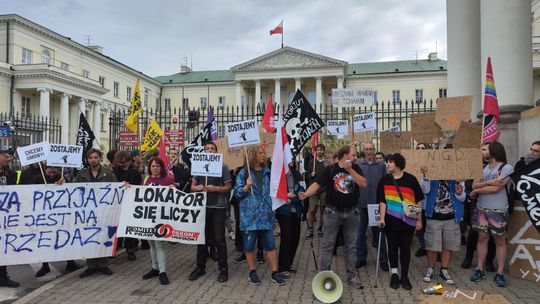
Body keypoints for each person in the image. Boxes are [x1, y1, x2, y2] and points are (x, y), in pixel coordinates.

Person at [299, 144, 368, 289]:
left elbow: (363, 184)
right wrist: (305, 194)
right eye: (353, 154)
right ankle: (324, 275)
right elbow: (317, 184)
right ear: (345, 155)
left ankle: (352, 276)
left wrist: (350, 171)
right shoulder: (330, 169)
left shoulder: (355, 168)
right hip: (332, 213)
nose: (356, 157)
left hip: (352, 213)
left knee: (351, 246)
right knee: (328, 245)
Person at [234, 146, 285, 286]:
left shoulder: (268, 172)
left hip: (266, 216)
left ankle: (275, 272)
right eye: (260, 153)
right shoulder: (243, 173)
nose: (263, 155)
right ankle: (252, 272)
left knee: (270, 244)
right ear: (251, 155)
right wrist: (245, 186)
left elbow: (275, 190)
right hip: (250, 217)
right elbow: (237, 194)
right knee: (250, 245)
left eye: (263, 152)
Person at [469, 141, 513, 287]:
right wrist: (489, 183)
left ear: (494, 151)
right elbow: (474, 184)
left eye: (485, 149)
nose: (482, 152)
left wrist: (477, 190)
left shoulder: (507, 168)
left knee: (499, 240)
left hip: (498, 209)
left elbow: (496, 189)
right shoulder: (482, 167)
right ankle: (479, 268)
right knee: (482, 238)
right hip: (481, 208)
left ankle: (499, 272)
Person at [377, 153, 423, 290]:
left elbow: (419, 199)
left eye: (390, 162)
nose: (387, 164)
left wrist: (419, 220)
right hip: (391, 222)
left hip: (408, 222)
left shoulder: (411, 179)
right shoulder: (384, 180)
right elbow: (382, 201)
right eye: (387, 161)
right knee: (392, 248)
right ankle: (394, 275)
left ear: (398, 163)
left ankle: (405, 277)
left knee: (405, 249)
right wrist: (382, 218)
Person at [189, 142, 232, 283]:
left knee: (219, 239)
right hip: (203, 207)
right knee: (202, 239)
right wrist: (199, 187)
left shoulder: (223, 167)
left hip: (218, 207)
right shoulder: (198, 167)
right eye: (207, 149)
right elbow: (192, 187)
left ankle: (223, 269)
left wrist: (216, 188)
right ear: (203, 152)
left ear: (217, 152)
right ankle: (200, 267)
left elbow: (228, 187)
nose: (210, 150)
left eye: (212, 148)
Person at [30, 166, 82, 277]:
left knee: (65, 237)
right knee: (45, 240)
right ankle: (45, 265)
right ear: (45, 170)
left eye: (54, 171)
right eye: (50, 172)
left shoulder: (62, 177)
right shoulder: (38, 179)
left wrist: (63, 184)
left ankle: (70, 262)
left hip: (61, 213)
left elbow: (69, 192)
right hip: (44, 215)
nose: (52, 174)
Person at [74, 148, 118, 278]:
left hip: (104, 211)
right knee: (89, 236)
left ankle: (103, 264)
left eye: (95, 157)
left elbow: (116, 190)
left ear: (100, 158)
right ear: (87, 160)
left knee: (103, 236)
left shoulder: (108, 174)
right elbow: (74, 191)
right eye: (90, 158)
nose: (93, 160)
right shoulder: (81, 175)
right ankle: (91, 265)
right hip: (87, 212)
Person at [420, 164, 466, 285]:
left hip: (451, 216)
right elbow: (425, 190)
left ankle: (444, 270)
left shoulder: (457, 178)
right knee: (432, 244)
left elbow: (462, 198)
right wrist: (425, 176)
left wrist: (460, 192)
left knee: (448, 244)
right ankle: (430, 269)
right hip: (434, 216)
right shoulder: (430, 176)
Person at [140, 157, 176, 285]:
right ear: (149, 168)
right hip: (149, 217)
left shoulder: (167, 179)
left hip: (161, 217)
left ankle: (162, 271)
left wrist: (173, 189)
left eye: (157, 166)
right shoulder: (146, 179)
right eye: (152, 166)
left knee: (159, 244)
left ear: (161, 167)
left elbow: (175, 196)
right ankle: (154, 268)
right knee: (151, 244)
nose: (155, 168)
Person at [356, 143, 388, 271]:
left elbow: (385, 184)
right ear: (363, 151)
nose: (369, 151)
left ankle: (384, 260)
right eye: (367, 149)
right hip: (361, 204)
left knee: (380, 233)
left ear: (374, 151)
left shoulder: (381, 166)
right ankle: (361, 258)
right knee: (360, 233)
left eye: (371, 149)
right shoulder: (358, 165)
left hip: (376, 205)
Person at [276, 161, 304, 279]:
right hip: (283, 211)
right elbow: (275, 192)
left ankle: (289, 262)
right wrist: (285, 196)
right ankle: (283, 267)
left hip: (296, 210)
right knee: (286, 238)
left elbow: (302, 191)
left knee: (295, 238)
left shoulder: (297, 174)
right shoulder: (278, 174)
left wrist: (292, 200)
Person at [112, 150, 143, 261]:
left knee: (128, 227)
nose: (120, 165)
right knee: (116, 227)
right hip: (117, 203)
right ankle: (116, 246)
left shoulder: (135, 173)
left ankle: (130, 249)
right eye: (119, 163)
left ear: (129, 161)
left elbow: (138, 187)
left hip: (130, 203)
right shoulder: (114, 171)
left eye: (123, 163)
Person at [0, 148, 20, 288]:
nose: (9, 159)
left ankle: (3, 276)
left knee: (3, 246)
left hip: (5, 215)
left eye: (10, 157)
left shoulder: (10, 174)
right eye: (7, 156)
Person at [306, 144, 328, 238]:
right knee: (312, 209)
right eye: (318, 150)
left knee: (323, 210)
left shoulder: (327, 163)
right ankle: (310, 229)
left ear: (324, 151)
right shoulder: (311, 162)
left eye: (321, 150)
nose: (320, 151)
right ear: (315, 151)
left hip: (324, 189)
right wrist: (311, 174)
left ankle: (320, 228)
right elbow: (306, 176)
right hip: (313, 189)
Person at [414, 142, 429, 258]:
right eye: (418, 148)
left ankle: (433, 249)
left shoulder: (433, 165)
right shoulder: (411, 164)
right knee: (418, 225)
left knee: (430, 226)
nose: (420, 150)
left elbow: (427, 189)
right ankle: (423, 246)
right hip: (415, 201)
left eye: (423, 148)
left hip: (429, 201)